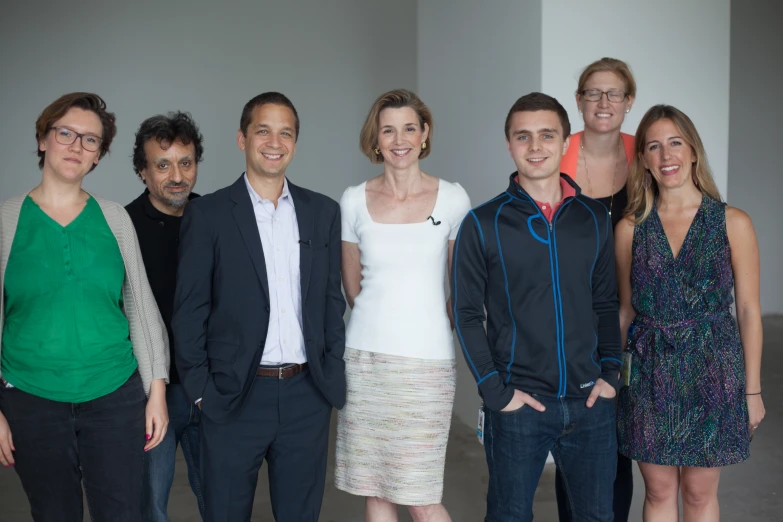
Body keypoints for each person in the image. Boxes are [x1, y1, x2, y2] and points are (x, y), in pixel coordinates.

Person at [172, 92, 346, 522]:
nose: (274, 141)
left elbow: (330, 300)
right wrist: (201, 392)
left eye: (285, 132)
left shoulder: (322, 212)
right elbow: (189, 310)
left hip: (307, 397)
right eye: (263, 130)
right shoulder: (209, 214)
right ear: (242, 139)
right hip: (234, 397)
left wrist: (331, 370)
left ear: (295, 142)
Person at [452, 92, 621, 522]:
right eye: (522, 136)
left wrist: (611, 376)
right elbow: (467, 313)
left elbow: (606, 302)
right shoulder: (482, 222)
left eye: (547, 135)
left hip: (590, 404)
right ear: (509, 144)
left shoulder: (594, 218)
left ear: (566, 141)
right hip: (518, 405)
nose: (536, 146)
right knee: (508, 516)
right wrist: (495, 391)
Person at [0, 92, 169, 521]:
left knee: (122, 513)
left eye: (90, 141)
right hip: (31, 399)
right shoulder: (7, 221)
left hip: (114, 396)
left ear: (98, 156)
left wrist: (157, 391)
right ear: (43, 138)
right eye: (66, 133)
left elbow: (142, 309)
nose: (77, 146)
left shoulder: (114, 218)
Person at [616, 105, 765, 521]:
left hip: (713, 370)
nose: (667, 156)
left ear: (693, 151)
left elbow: (750, 311)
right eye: (654, 146)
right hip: (649, 372)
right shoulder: (631, 227)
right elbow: (625, 311)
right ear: (643, 159)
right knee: (659, 490)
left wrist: (751, 392)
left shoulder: (732, 222)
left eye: (675, 143)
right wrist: (616, 380)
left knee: (699, 493)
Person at [335, 89, 471, 522]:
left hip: (427, 365)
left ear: (424, 133)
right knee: (375, 491)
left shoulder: (453, 199)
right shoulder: (353, 199)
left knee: (421, 495)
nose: (399, 139)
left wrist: (424, 325)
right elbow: (352, 288)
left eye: (409, 128)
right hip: (366, 363)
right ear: (375, 138)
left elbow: (461, 287)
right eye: (388, 129)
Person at [556, 57, 636, 521]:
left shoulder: (644, 155)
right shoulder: (555, 151)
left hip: (636, 322)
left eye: (614, 94)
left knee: (620, 441)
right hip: (574, 323)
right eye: (593, 93)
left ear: (629, 102)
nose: (603, 102)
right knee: (578, 437)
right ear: (579, 100)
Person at [126, 111, 205, 521]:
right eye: (162, 164)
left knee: (220, 500)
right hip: (148, 391)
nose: (177, 175)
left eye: (186, 163)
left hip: (208, 388)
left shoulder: (215, 219)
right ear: (143, 171)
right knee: (149, 506)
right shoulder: (122, 227)